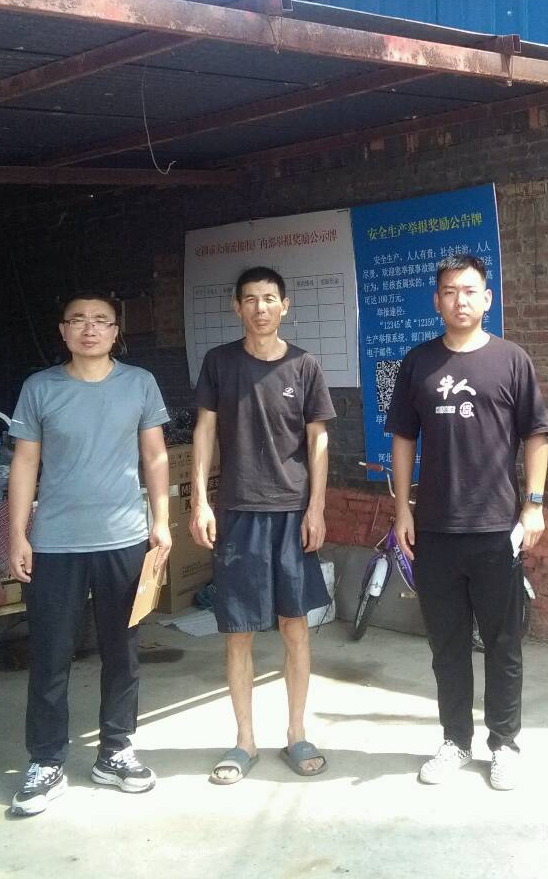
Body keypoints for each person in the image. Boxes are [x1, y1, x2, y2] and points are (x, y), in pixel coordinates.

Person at [385, 253, 548, 791]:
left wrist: (533, 503)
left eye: (470, 290)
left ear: (487, 298)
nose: (460, 300)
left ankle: (504, 744)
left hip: (496, 528)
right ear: (437, 301)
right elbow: (403, 439)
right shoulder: (418, 363)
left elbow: (536, 435)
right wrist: (402, 508)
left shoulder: (511, 360)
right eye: (450, 291)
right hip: (434, 529)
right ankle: (455, 740)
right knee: (447, 644)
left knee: (504, 643)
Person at [5, 292, 172, 817]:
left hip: (124, 538)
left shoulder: (139, 383)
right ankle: (46, 761)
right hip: (55, 542)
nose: (90, 329)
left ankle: (115, 749)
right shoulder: (40, 388)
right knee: (51, 654)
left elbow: (155, 455)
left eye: (101, 321)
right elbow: (25, 462)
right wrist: (17, 533)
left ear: (116, 331)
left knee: (122, 651)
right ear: (63, 331)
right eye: (78, 320)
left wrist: (161, 522)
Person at [191, 266, 335, 783]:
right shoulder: (220, 362)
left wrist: (316, 507)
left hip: (293, 512)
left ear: (284, 305)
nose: (260, 308)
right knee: (239, 632)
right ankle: (244, 742)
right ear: (237, 307)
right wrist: (201, 502)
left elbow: (318, 439)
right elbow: (205, 431)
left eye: (269, 298)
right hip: (237, 511)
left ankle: (296, 734)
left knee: (295, 626)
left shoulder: (304, 365)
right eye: (250, 299)